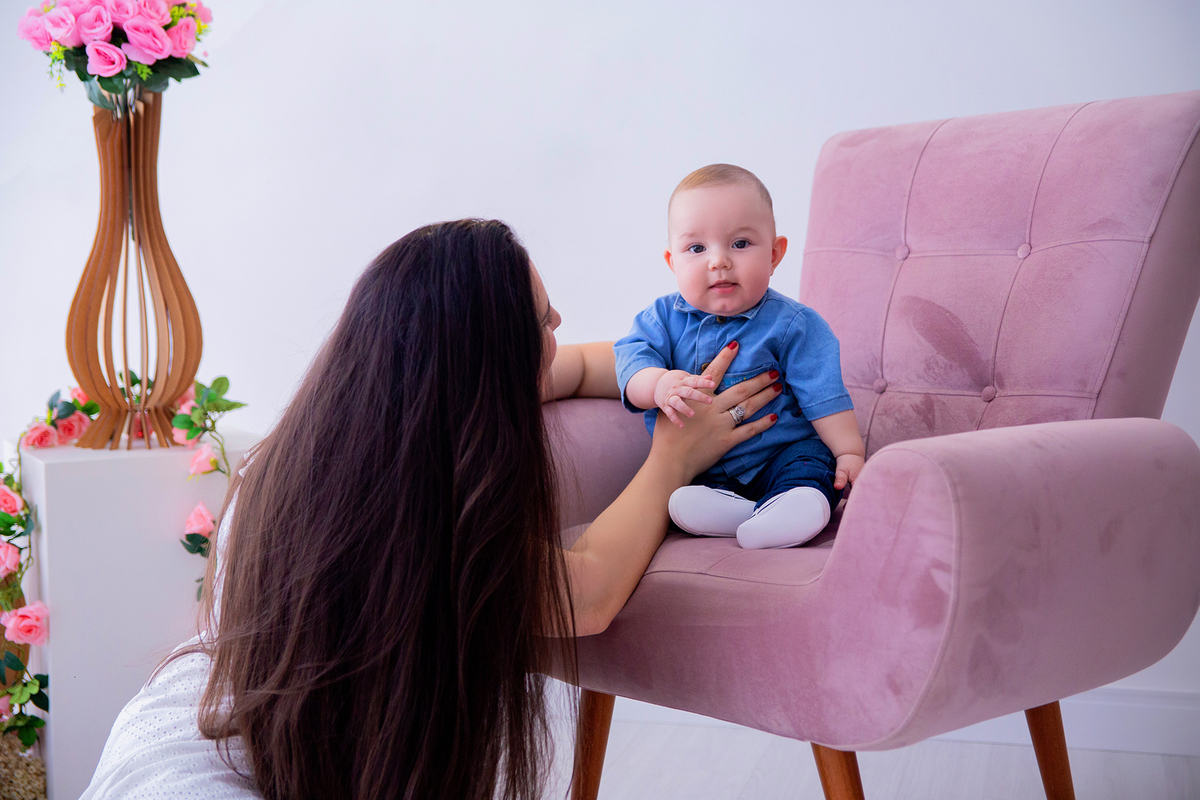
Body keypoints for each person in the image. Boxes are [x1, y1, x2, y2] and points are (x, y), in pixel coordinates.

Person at [81, 219, 781, 800]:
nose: (560, 324)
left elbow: (579, 364)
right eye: (543, 319)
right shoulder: (414, 512)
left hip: (196, 717)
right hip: (203, 770)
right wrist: (672, 459)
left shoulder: (338, 432)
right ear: (490, 362)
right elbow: (588, 594)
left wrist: (664, 379)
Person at [614, 164, 866, 549]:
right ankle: (741, 513)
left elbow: (824, 395)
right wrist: (659, 383)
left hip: (782, 452)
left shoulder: (794, 324)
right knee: (684, 498)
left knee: (811, 464)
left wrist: (848, 450)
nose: (718, 261)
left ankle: (796, 505)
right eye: (697, 248)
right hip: (706, 468)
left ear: (775, 254)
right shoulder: (660, 319)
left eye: (740, 243)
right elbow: (630, 362)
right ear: (672, 262)